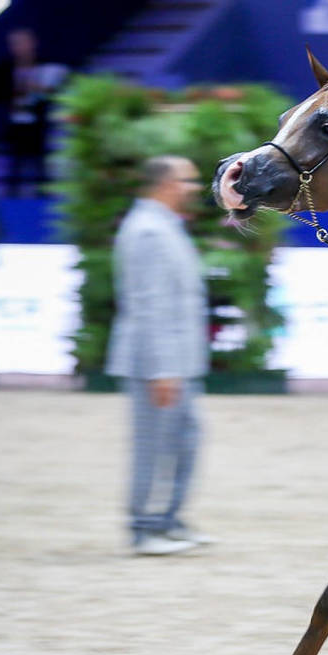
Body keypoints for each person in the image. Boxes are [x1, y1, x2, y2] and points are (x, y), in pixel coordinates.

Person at [106, 155, 214, 557]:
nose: (193, 188)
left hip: (177, 361)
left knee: (186, 440)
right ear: (166, 184)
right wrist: (162, 369)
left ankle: (168, 519)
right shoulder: (148, 231)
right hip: (157, 363)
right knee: (152, 445)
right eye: (187, 180)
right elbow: (149, 305)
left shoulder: (163, 225)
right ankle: (144, 526)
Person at [0, 28, 66, 197]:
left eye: (22, 43)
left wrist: (41, 90)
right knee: (14, 166)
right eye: (14, 44)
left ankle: (43, 197)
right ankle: (11, 198)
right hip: (14, 126)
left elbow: (58, 90)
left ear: (32, 43)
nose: (18, 47)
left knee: (41, 165)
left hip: (38, 125)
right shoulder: (4, 70)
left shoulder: (47, 66)